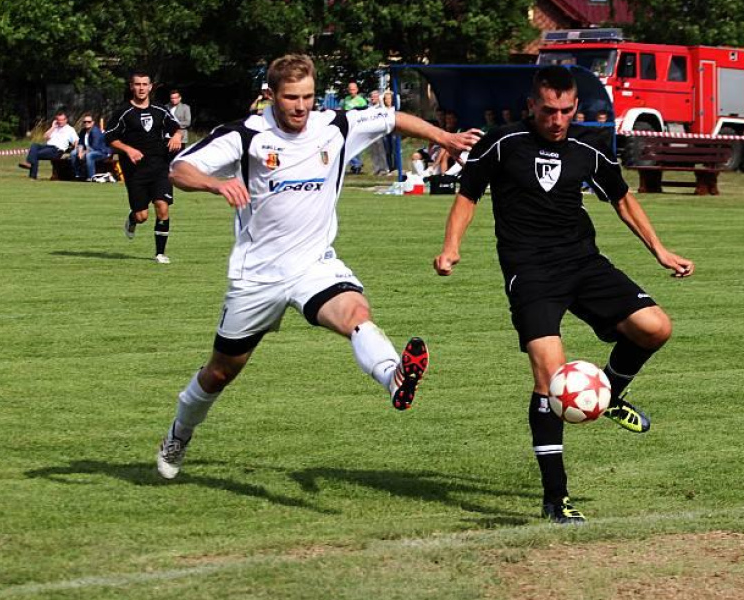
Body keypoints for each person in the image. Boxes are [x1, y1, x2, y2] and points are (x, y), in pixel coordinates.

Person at [156, 54, 480, 481]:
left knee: (356, 313)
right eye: (291, 97)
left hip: (314, 265)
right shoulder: (246, 134)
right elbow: (179, 168)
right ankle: (179, 432)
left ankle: (394, 378)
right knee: (219, 372)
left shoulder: (336, 124)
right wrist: (216, 183)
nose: (301, 106)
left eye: (308, 96)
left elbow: (392, 118)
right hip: (258, 275)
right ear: (271, 95)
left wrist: (445, 137)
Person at [432, 66, 694, 525]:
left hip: (583, 263)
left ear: (575, 108)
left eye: (566, 111)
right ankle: (556, 498)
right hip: (530, 273)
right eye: (548, 110)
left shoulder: (588, 149)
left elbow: (622, 199)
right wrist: (452, 246)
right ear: (532, 105)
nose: (557, 120)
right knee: (549, 378)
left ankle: (607, 394)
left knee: (655, 327)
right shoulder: (502, 142)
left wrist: (660, 250)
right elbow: (467, 195)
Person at [104, 70, 183, 264]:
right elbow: (110, 138)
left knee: (162, 206)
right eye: (137, 84)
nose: (141, 88)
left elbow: (176, 127)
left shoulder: (159, 109)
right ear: (132, 87)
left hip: (160, 166)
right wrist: (128, 149)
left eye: (144, 84)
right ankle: (132, 219)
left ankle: (160, 253)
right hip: (135, 171)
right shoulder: (123, 112)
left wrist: (177, 136)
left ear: (150, 87)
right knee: (142, 216)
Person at [18, 111, 79, 179]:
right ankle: (29, 165)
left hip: (57, 149)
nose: (60, 122)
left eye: (62, 120)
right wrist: (53, 127)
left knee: (35, 154)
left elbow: (76, 140)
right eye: (58, 120)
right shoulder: (55, 128)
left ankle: (32, 173)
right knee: (34, 145)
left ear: (66, 120)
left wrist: (75, 149)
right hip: (47, 147)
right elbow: (45, 137)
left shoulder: (70, 129)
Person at [70, 114, 111, 181]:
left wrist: (83, 153)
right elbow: (80, 143)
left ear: (93, 122)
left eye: (89, 122)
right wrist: (80, 152)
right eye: (85, 122)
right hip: (89, 150)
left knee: (89, 155)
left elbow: (94, 147)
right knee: (73, 153)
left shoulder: (96, 131)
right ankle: (78, 174)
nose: (86, 123)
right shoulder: (83, 131)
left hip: (102, 152)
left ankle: (91, 177)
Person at [341, 81, 370, 174]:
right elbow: (343, 110)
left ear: (357, 90)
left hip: (357, 126)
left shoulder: (361, 100)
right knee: (346, 145)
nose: (352, 91)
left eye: (353, 89)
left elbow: (366, 111)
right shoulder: (346, 99)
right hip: (348, 125)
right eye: (350, 89)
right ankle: (356, 164)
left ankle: (357, 164)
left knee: (355, 145)